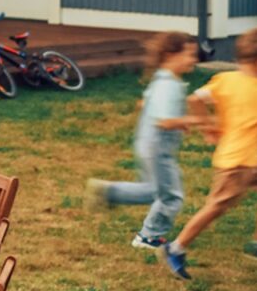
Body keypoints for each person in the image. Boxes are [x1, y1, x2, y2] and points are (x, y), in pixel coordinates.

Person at [161, 27, 257, 279]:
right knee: (216, 206)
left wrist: (207, 128)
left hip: (251, 159)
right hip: (239, 164)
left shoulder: (225, 79)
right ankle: (175, 248)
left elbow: (195, 99)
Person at [85, 32, 199, 250]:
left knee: (152, 190)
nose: (193, 60)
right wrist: (193, 120)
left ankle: (108, 192)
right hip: (159, 149)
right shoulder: (169, 85)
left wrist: (178, 121)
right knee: (171, 197)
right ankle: (149, 236)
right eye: (189, 54)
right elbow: (165, 121)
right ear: (169, 55)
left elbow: (143, 105)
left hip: (147, 143)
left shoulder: (161, 79)